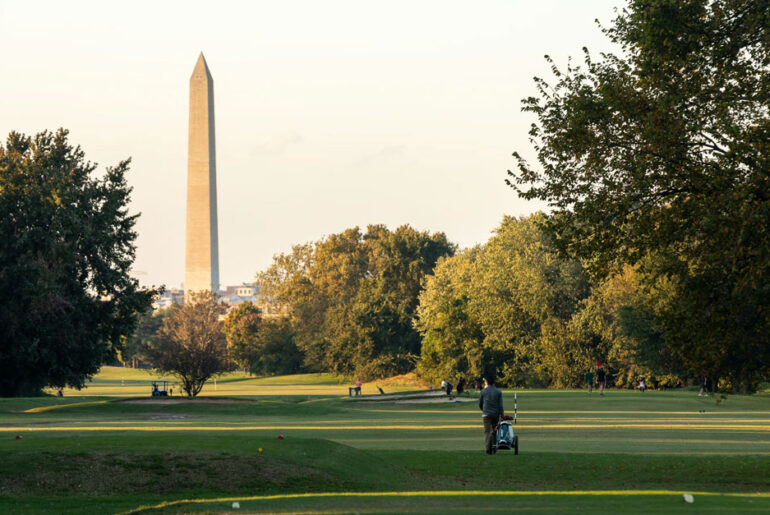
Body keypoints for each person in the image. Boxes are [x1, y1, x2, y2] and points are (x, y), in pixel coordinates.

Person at [478, 375, 505, 455]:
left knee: (487, 431)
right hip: (495, 414)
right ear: (494, 382)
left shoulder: (483, 391)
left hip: (486, 414)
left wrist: (483, 410)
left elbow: (480, 404)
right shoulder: (498, 392)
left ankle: (487, 448)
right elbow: (500, 405)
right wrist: (502, 415)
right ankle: (494, 448)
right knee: (495, 431)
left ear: (487, 382)